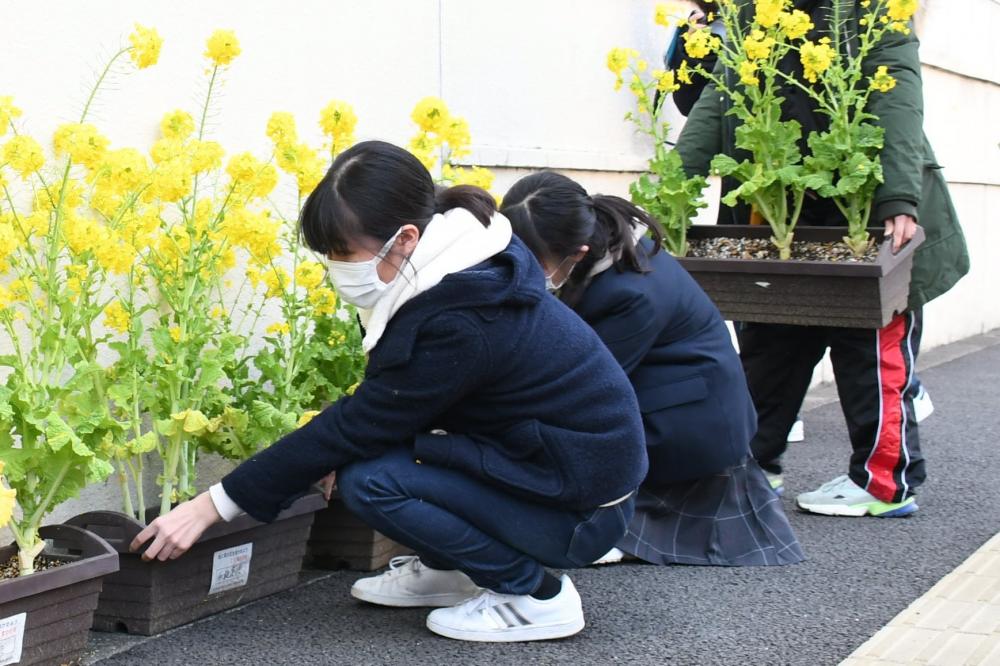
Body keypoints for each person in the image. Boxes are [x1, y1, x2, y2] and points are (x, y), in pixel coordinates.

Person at [130, 141, 649, 642]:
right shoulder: (454, 265)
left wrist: (209, 507)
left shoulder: (464, 314)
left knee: (372, 482)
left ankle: (535, 595)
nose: (336, 266)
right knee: (374, 458)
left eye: (342, 252)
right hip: (543, 466)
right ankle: (452, 571)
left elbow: (361, 420)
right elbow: (392, 407)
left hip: (579, 510)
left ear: (404, 237)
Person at [676, 1, 969, 516]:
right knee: (769, 345)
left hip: (866, 211)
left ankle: (883, 485)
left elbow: (899, 100)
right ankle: (753, 467)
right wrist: (675, 188)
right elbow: (715, 104)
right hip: (780, 211)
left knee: (869, 348)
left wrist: (898, 200)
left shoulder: (876, 12)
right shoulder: (753, 14)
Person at [501, 171, 804, 566]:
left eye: (536, 261)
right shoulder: (615, 251)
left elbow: (580, 386)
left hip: (692, 425)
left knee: (560, 427)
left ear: (577, 251)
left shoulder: (630, 293)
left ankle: (606, 527)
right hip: (678, 403)